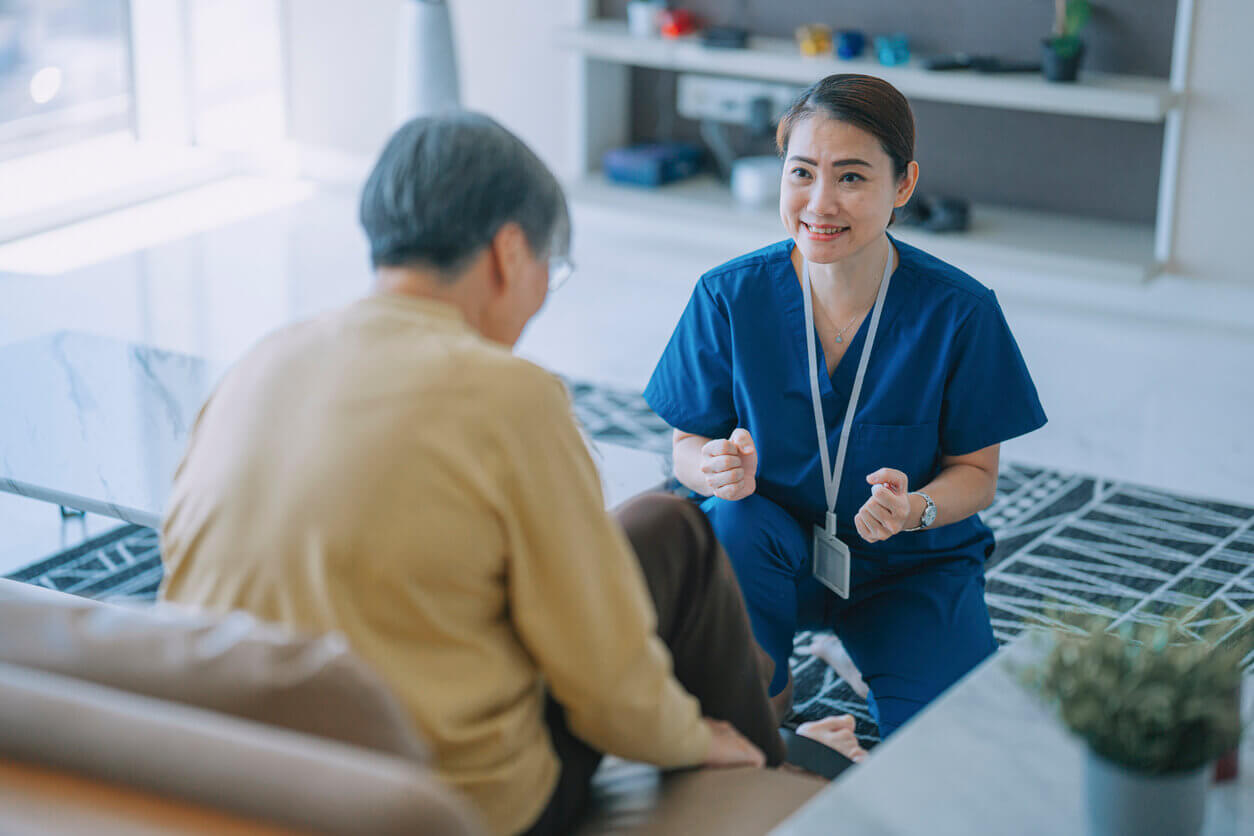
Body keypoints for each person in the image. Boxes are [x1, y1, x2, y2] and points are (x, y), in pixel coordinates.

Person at [159, 112, 863, 836]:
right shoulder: (508, 395)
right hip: (438, 803)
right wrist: (694, 739)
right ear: (507, 251)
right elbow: (604, 684)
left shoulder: (261, 362)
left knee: (642, 531)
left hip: (231, 772)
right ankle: (771, 766)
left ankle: (767, 751)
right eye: (547, 273)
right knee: (673, 529)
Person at [644, 74, 1047, 737]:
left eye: (852, 178)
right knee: (731, 534)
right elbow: (684, 446)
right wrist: (713, 468)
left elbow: (976, 475)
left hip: (909, 566)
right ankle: (768, 701)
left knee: (949, 750)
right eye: (801, 173)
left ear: (904, 186)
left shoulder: (959, 313)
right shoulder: (728, 296)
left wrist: (916, 506)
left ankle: (868, 651)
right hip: (768, 555)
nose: (820, 202)